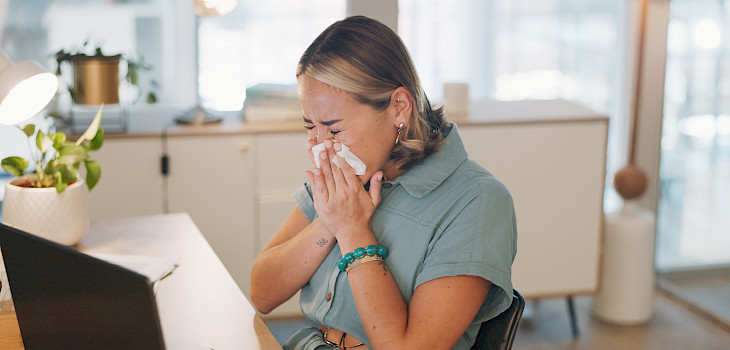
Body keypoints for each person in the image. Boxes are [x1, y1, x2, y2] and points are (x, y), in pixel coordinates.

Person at [249, 15, 517, 350]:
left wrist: (352, 230)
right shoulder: (346, 179)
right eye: (310, 127)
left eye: (333, 129)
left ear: (399, 108)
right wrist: (328, 223)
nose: (320, 145)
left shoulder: (477, 201)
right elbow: (262, 293)